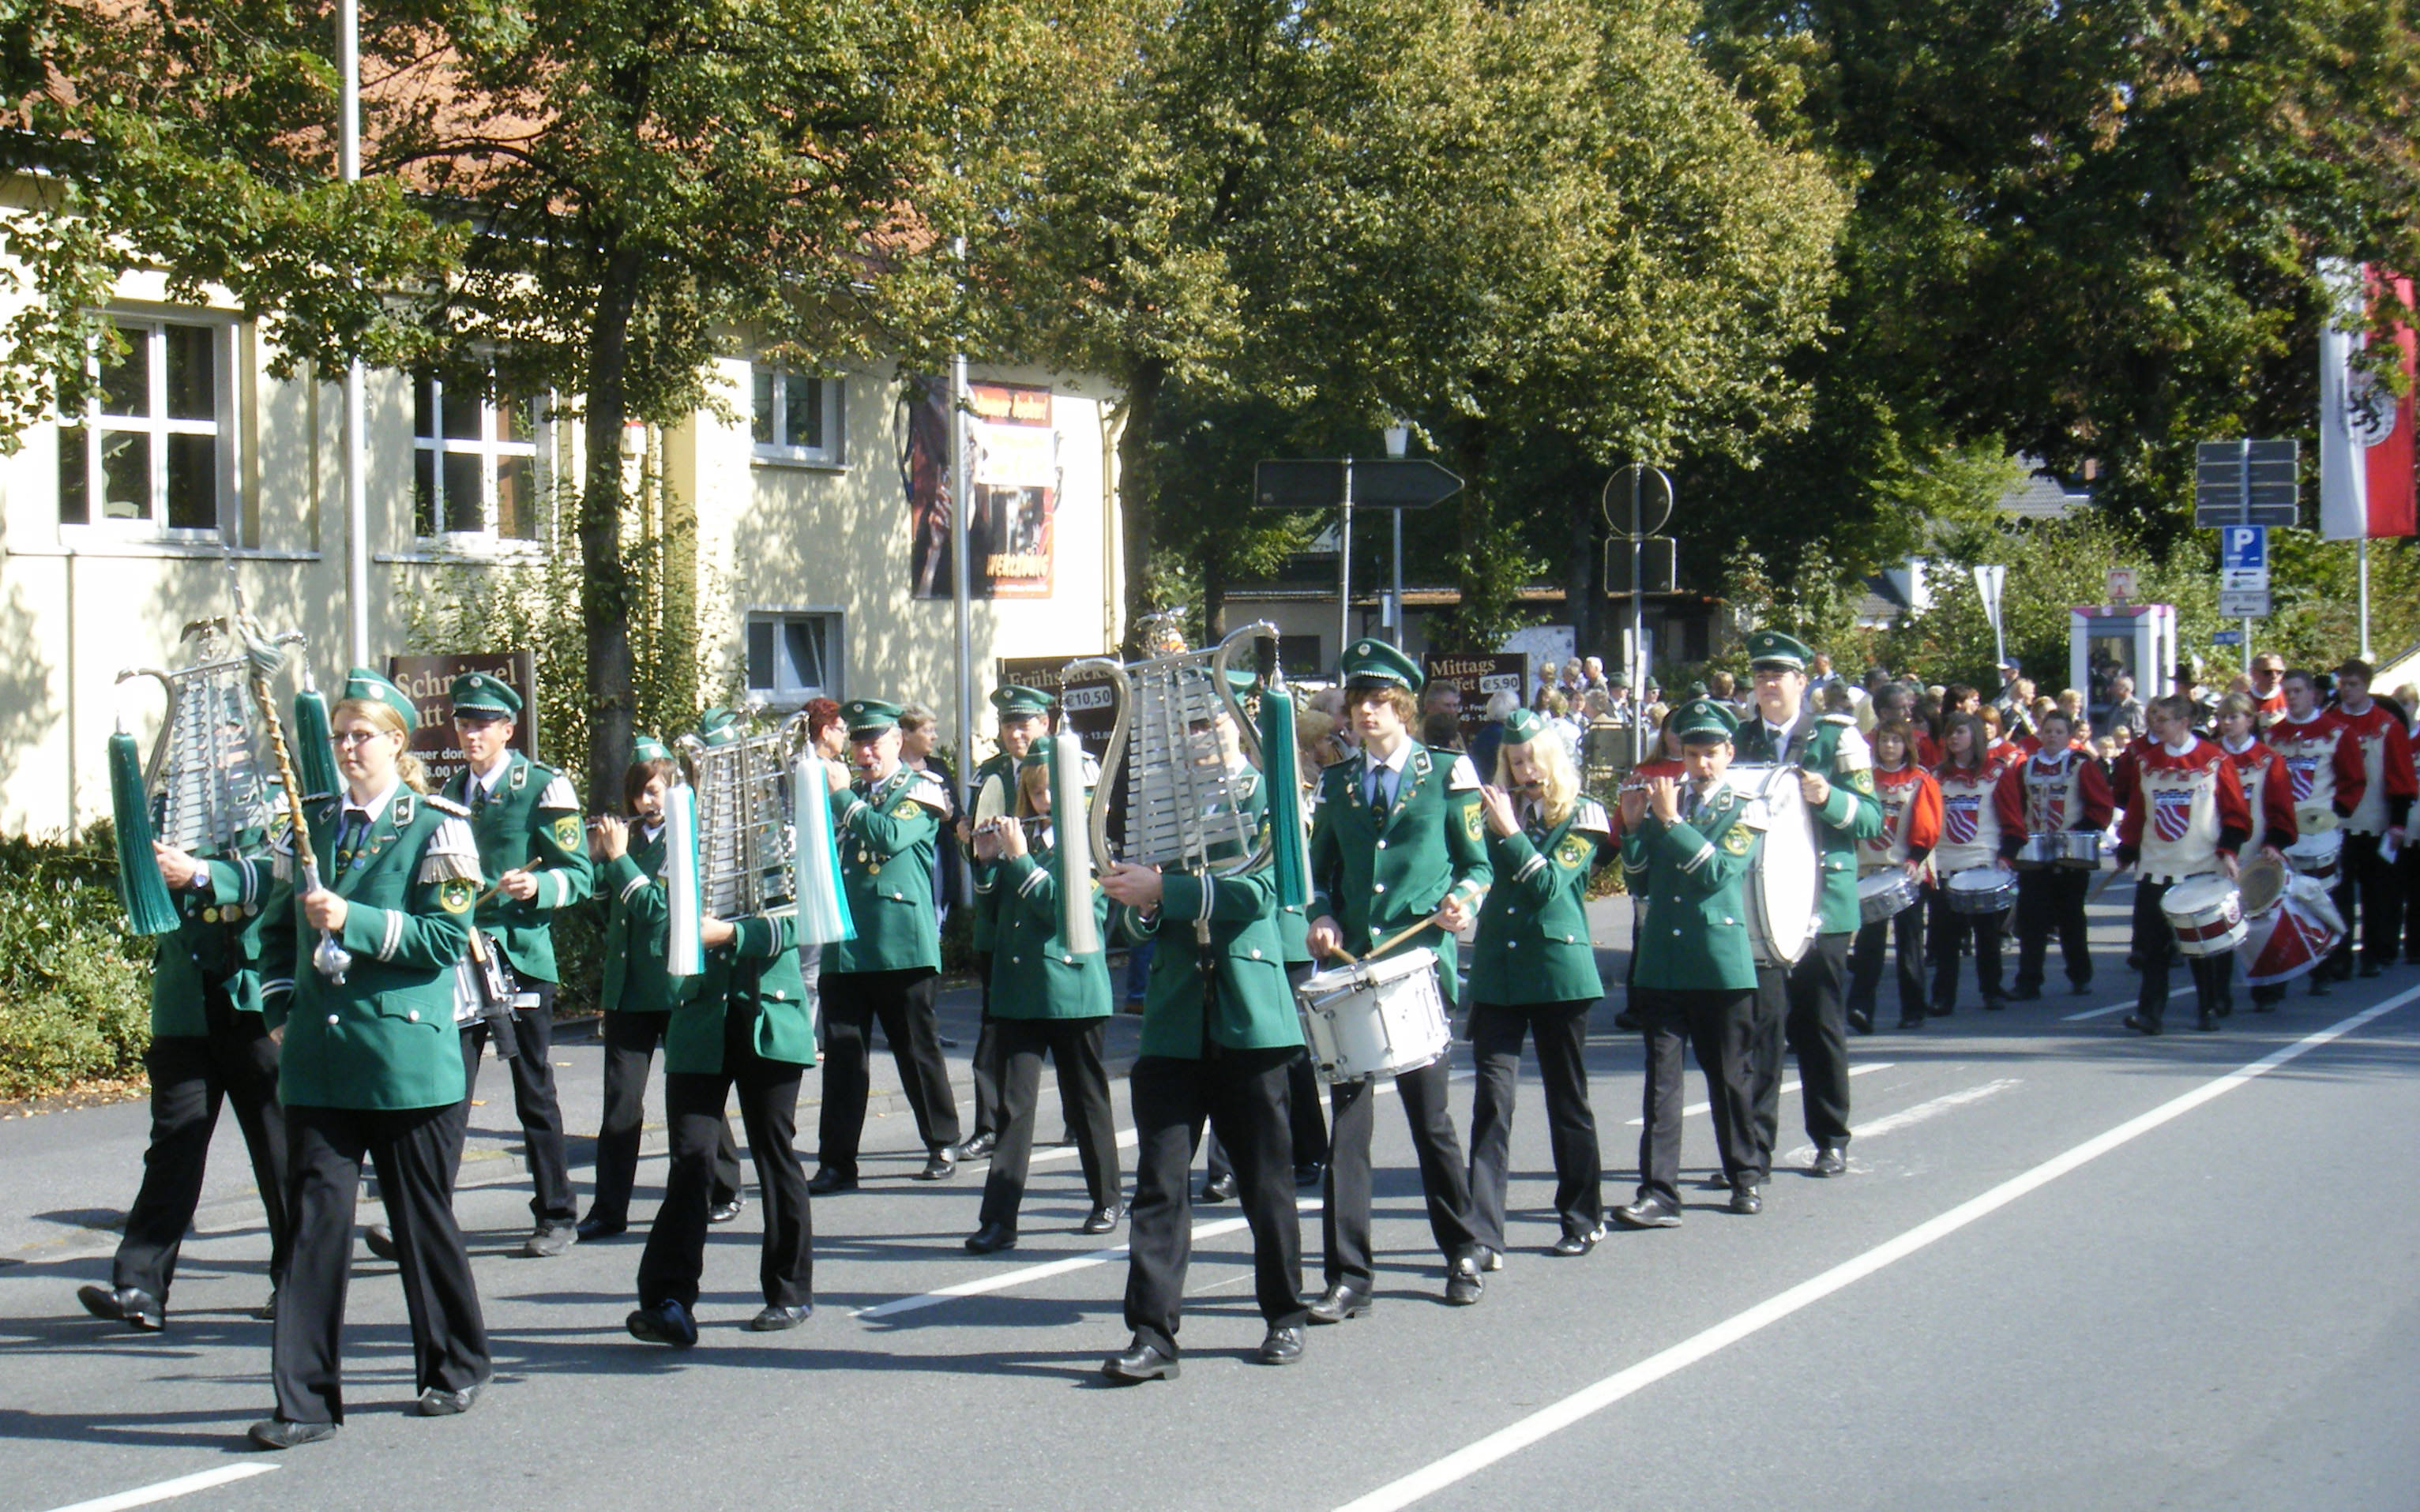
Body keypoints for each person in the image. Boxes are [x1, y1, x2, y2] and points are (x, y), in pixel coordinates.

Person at [247, 669, 489, 1450]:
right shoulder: (308, 824)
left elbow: (443, 939)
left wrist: (351, 916)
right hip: (321, 1060)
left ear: (396, 742)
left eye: (363, 735)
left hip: (402, 1057)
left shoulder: (439, 826)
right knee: (314, 1228)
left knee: (421, 1219)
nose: (349, 748)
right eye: (340, 735)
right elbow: (273, 931)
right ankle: (304, 1402)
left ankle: (454, 1363)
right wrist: (279, 1009)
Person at [1095, 676, 1310, 1382]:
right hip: (1175, 1020)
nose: (1198, 739)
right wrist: (1141, 903)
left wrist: (1165, 889)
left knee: (1264, 1181)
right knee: (1160, 1184)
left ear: (1237, 724)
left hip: (1250, 1016)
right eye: (1186, 727)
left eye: (1208, 723)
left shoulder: (1266, 794)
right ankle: (1152, 1333)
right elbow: (1137, 923)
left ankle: (1284, 1312)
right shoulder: (1162, 804)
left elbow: (1260, 892)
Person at [1304, 639, 1490, 1319]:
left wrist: (1461, 901)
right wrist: (1322, 915)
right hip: (1355, 967)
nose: (1367, 713)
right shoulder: (1338, 784)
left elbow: (1477, 865)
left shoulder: (1447, 773)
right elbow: (1318, 873)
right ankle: (1349, 1276)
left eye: (1380, 702)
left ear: (1403, 709)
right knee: (1348, 1128)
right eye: (1359, 702)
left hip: (1416, 966)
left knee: (1429, 1118)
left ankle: (1462, 1249)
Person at [626, 712, 818, 1345]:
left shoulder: (783, 834)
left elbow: (800, 920)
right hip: (701, 1018)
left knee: (774, 1152)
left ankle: (789, 1290)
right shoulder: (681, 838)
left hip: (767, 1015)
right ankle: (669, 1299)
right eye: (707, 767)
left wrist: (730, 934)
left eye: (729, 765)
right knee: (691, 1158)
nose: (720, 779)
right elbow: (659, 927)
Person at [79, 777, 291, 1331]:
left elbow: (285, 877)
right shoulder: (166, 804)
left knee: (280, 1148)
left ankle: (299, 1282)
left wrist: (201, 873)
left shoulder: (273, 795)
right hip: (185, 1002)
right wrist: (146, 865)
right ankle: (140, 1286)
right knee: (174, 1144)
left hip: (255, 1001)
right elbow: (138, 893)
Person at [401, 671, 592, 1259]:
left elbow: (580, 874)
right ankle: (426, 1218)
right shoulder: (447, 792)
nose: (471, 734)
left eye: (483, 724)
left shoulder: (543, 786)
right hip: (461, 956)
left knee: (533, 1088)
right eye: (464, 723)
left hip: (520, 955)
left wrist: (537, 886)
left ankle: (556, 1213)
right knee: (446, 1090)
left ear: (508, 729)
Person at [577, 737, 745, 1242]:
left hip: (675, 985)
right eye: (641, 792)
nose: (648, 801)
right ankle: (609, 1209)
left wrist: (618, 860)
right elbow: (603, 909)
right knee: (620, 1104)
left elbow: (657, 910)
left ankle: (724, 1186)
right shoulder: (627, 840)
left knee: (691, 1095)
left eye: (657, 791)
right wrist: (596, 859)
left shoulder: (688, 840)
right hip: (628, 990)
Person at [1464, 710, 1615, 1261]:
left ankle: (1583, 1215)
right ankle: (1483, 1234)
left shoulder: (1583, 813)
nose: (1526, 771)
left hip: (1557, 973)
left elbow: (1548, 885)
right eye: (1515, 762)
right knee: (1492, 1102)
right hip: (1499, 972)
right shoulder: (1491, 810)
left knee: (1566, 1097)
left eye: (1532, 760)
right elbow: (1473, 870)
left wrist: (1508, 831)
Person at [1610, 696, 1766, 1226]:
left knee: (1728, 1076)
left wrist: (1671, 821)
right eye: (1692, 753)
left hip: (1718, 962)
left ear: (1728, 754)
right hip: (1663, 960)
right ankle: (1659, 1191)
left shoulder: (1746, 807)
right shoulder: (1665, 800)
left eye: (1710, 754)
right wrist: (1635, 830)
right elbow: (1640, 883)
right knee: (1662, 1082)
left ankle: (1745, 1173)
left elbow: (1717, 873)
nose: (1700, 764)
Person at [964, 745, 1124, 1254]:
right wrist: (986, 866)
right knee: (1014, 1109)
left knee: (1086, 1098)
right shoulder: (1023, 842)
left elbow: (1062, 911)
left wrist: (1018, 859)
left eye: (1054, 788)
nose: (1045, 799)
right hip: (1020, 990)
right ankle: (999, 1219)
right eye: (1036, 791)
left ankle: (1107, 1198)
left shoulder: (1094, 847)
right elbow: (992, 919)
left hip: (1072, 991)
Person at [1734, 630, 1881, 1181]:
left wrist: (1830, 798)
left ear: (1802, 681)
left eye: (1778, 675)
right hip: (1762, 906)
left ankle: (1830, 1137)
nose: (1768, 684)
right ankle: (1754, 1149)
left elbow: (1871, 818)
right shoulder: (1739, 738)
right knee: (1761, 1030)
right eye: (1760, 675)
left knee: (1819, 1026)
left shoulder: (1836, 736)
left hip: (1822, 902)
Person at [810, 699, 964, 1191]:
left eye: (874, 742)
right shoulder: (848, 792)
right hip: (847, 943)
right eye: (858, 743)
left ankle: (942, 1141)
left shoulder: (922, 789)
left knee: (916, 1050)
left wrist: (842, 799)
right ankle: (837, 1162)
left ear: (897, 741)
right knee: (844, 1059)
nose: (865, 753)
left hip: (901, 946)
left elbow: (889, 836)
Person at [954, 685, 1053, 1164]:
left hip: (1049, 917)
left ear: (1044, 724)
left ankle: (1079, 1119)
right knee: (994, 1028)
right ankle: (989, 1125)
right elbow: (975, 846)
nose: (1016, 733)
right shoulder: (988, 773)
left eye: (1024, 723)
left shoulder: (1070, 766)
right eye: (1009, 725)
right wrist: (969, 843)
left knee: (1069, 1030)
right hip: (1000, 916)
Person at [2116, 694, 2251, 1034]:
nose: (2156, 724)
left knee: (2201, 948)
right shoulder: (2145, 762)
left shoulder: (2215, 760)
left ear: (2184, 722)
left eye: (2163, 719)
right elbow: (2137, 812)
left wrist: (2229, 851)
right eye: (2154, 718)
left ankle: (2208, 1008)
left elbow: (2235, 813)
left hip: (2200, 868)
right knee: (2152, 949)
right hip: (2156, 868)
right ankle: (2150, 1014)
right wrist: (2128, 847)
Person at [2266, 668, 2367, 997]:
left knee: (2321, 900)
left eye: (2298, 691)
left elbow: (2354, 778)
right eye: (2288, 692)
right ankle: (2278, 976)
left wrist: (2338, 811)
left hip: (2320, 830)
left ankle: (2325, 967)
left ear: (2313, 694)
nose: (2292, 697)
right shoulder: (2273, 736)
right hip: (2282, 830)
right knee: (2277, 904)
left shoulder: (2336, 732)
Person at [2008, 708, 2112, 1000]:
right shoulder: (2026, 766)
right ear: (2040, 734)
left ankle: (2080, 975)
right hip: (2034, 853)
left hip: (2070, 853)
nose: (2052, 737)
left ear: (2069, 736)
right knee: (2031, 920)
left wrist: (2082, 830)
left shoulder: (2081, 765)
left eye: (2059, 732)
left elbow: (2101, 805)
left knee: (2071, 918)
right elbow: (2016, 804)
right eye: (2048, 731)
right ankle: (2028, 981)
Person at [1847, 719, 1940, 1033]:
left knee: (1909, 943)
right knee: (1868, 945)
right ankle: (1861, 1008)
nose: (1889, 746)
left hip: (1905, 870)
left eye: (1896, 740)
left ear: (1907, 746)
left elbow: (1928, 824)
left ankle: (1913, 1008)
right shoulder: (1863, 779)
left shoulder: (1920, 780)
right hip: (1869, 870)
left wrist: (1915, 858)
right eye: (1884, 740)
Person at [1927, 711, 2023, 1015]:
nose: (1953, 738)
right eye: (1950, 733)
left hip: (1983, 864)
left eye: (1961, 732)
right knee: (1946, 937)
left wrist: (2006, 856)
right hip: (1945, 864)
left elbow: (2013, 820)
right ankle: (1943, 997)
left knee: (1987, 934)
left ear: (1976, 737)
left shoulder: (1997, 773)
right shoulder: (1935, 776)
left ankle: (1991, 990)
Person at [2325, 658, 2415, 979]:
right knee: (2339, 893)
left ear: (2366, 687)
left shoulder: (2387, 726)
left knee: (2377, 893)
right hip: (2337, 822)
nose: (2347, 691)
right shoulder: (2330, 723)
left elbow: (2401, 777)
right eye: (2343, 685)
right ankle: (2340, 956)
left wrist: (2398, 823)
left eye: (2353, 685)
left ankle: (2373, 954)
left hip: (2376, 821)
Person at [2215, 692, 2298, 1010]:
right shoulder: (2210, 757)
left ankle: (2268, 989)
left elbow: (2281, 808)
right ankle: (2218, 995)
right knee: (2220, 926)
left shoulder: (2268, 759)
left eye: (2233, 717)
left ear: (2250, 720)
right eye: (2222, 717)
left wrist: (2274, 843)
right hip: (2218, 853)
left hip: (2257, 852)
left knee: (2262, 925)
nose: (2226, 723)